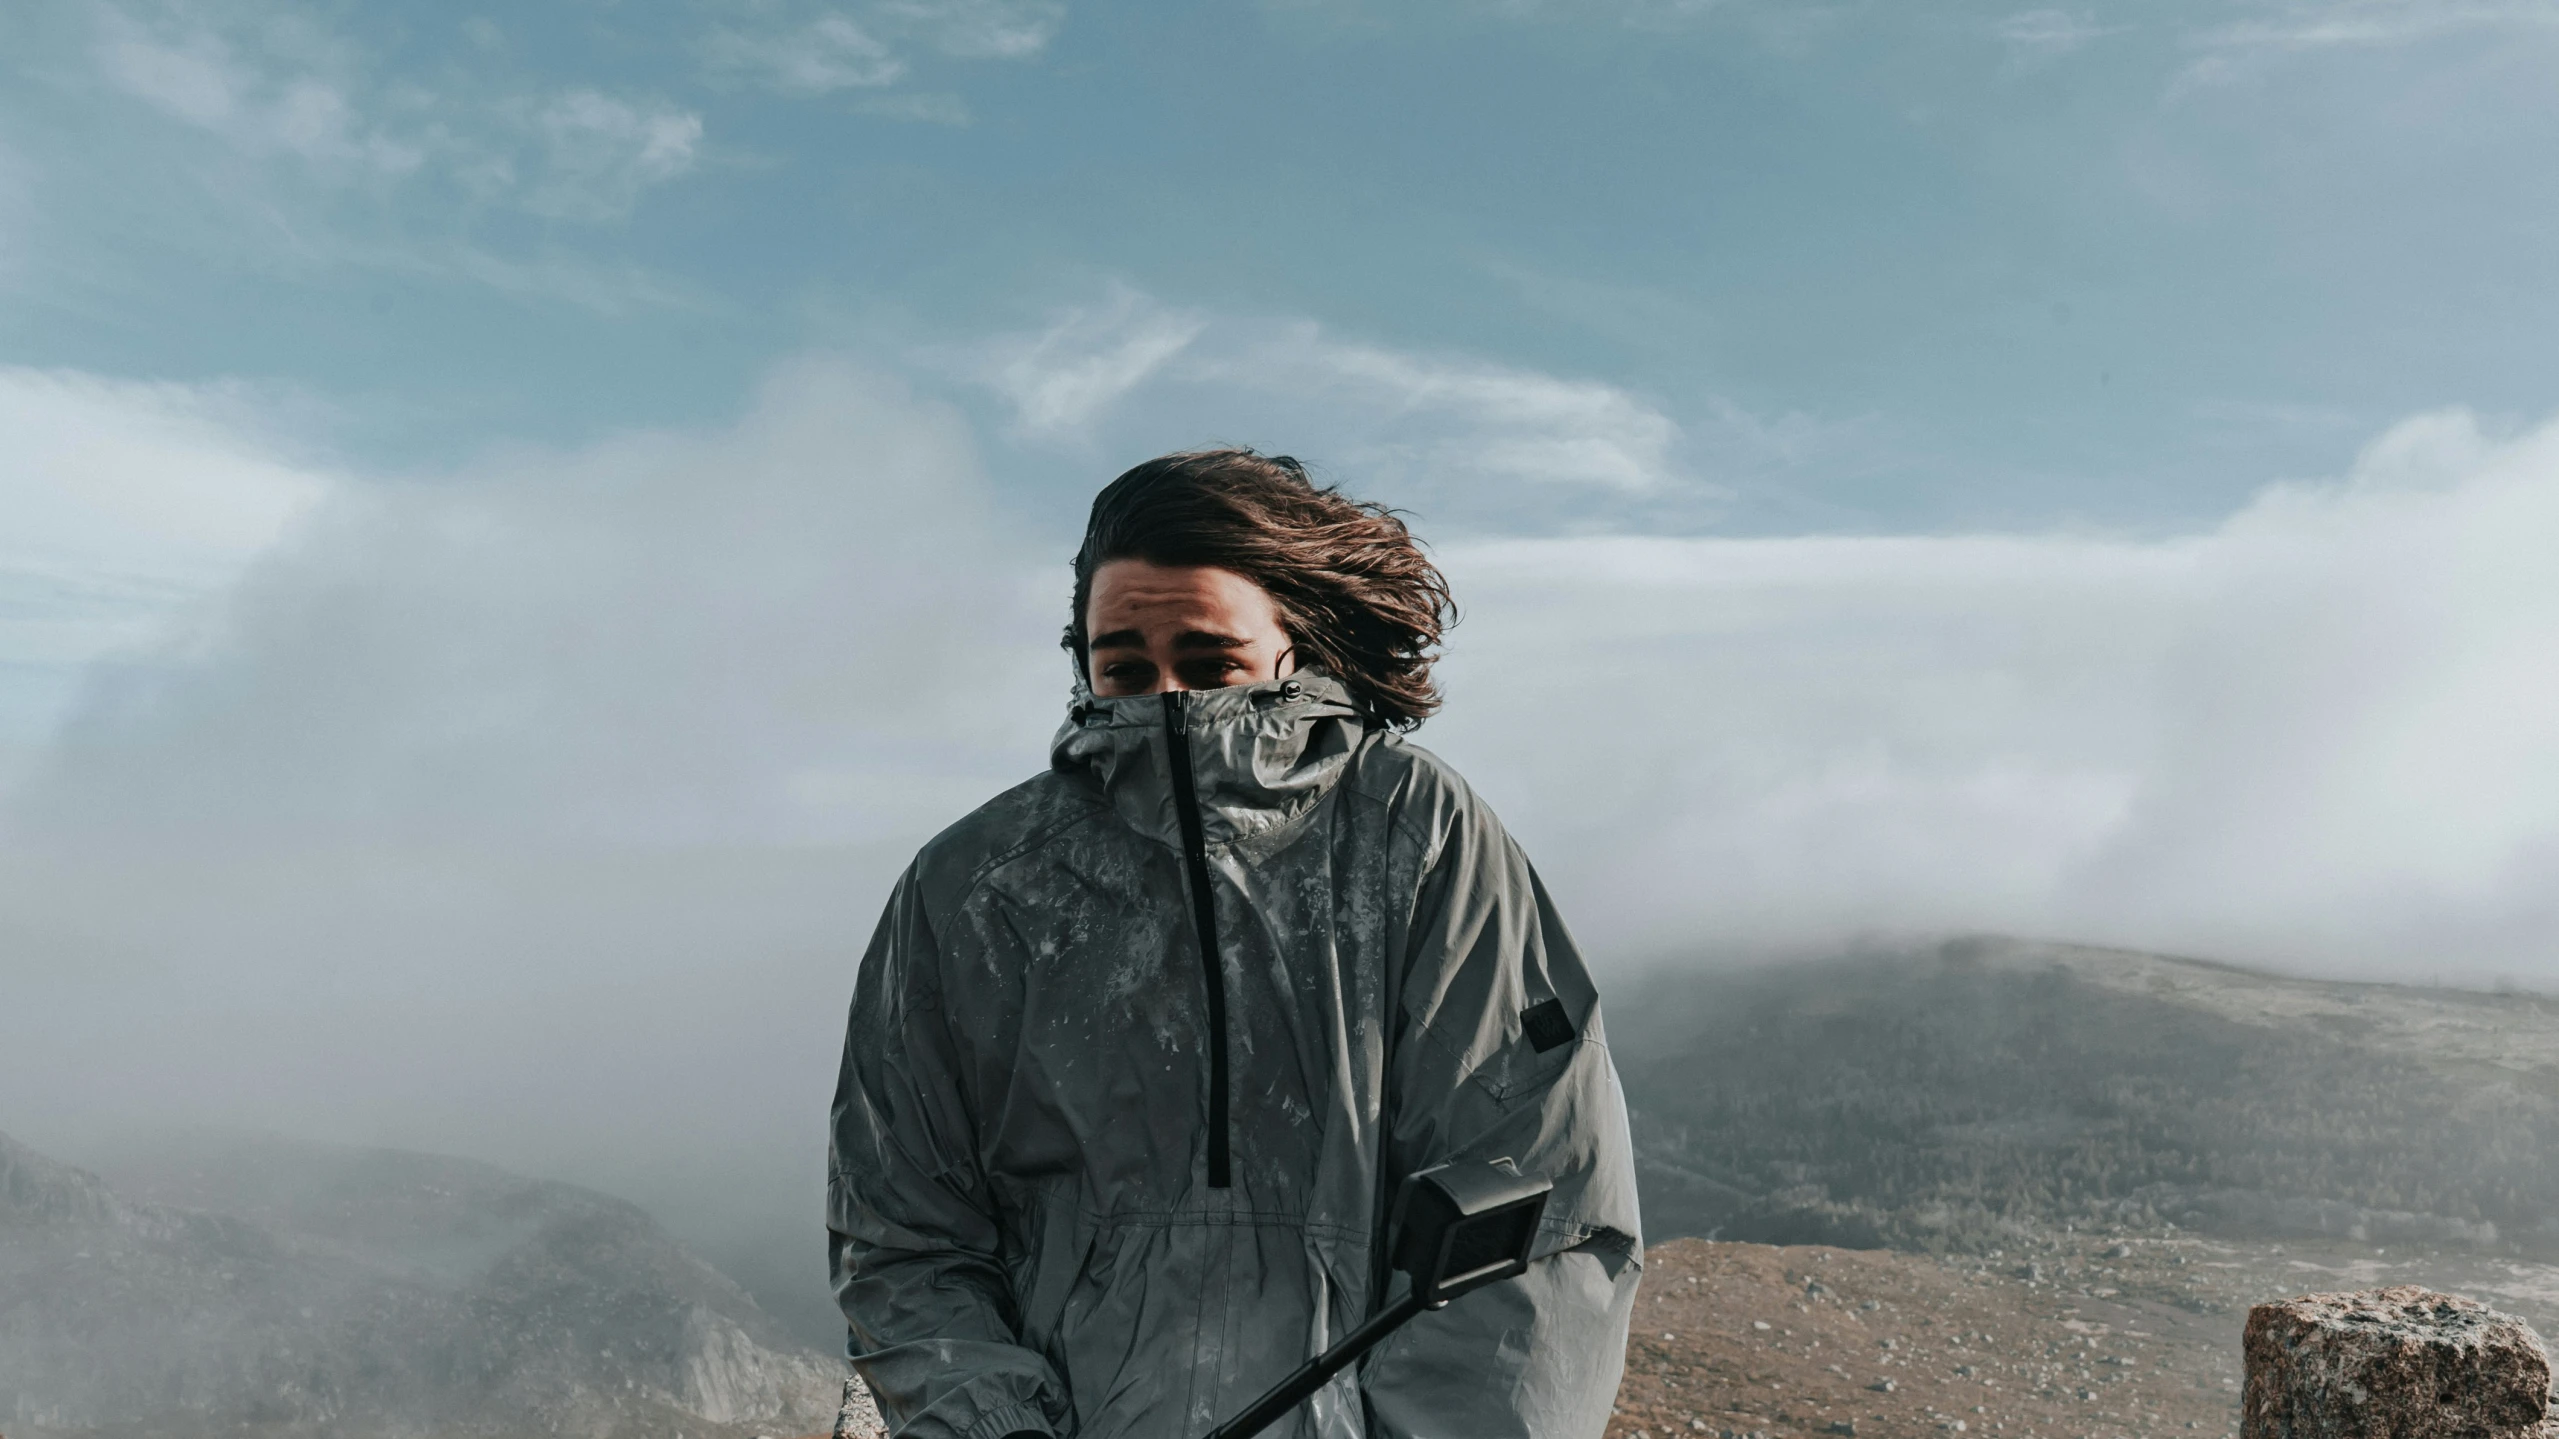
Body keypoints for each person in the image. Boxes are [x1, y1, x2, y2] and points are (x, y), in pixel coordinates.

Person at [828, 450, 1641, 1439]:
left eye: (1209, 659)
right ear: (1080, 657)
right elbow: (904, 1238)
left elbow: (1535, 1211)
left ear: (1295, 645)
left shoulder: (1418, 836)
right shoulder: (973, 886)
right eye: (1123, 662)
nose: (1167, 693)